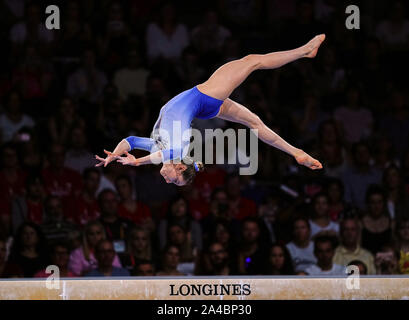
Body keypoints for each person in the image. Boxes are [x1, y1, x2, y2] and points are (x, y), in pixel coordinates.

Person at [95, 35, 326, 185]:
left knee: (255, 122)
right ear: (180, 166)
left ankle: (296, 152)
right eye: (175, 181)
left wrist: (115, 154)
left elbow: (132, 140)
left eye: (174, 182)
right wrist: (136, 163)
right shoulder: (179, 148)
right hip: (205, 97)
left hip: (203, 105)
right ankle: (304, 51)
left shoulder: (159, 148)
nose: (168, 182)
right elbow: (163, 155)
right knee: (252, 62)